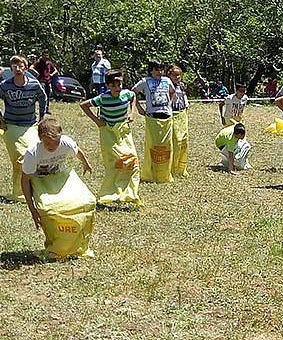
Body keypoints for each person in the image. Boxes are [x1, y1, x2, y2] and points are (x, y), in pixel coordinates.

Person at [20, 116, 96, 259]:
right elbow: (25, 181)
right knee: (47, 209)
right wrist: (32, 209)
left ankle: (80, 244)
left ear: (61, 135)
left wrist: (86, 163)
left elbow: (77, 151)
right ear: (40, 138)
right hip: (41, 181)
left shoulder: (65, 142)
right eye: (48, 144)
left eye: (56, 142)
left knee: (88, 201)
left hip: (62, 175)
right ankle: (55, 246)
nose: (53, 146)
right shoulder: (33, 153)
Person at [80, 69, 141, 206]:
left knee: (132, 160)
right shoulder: (103, 98)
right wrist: (97, 121)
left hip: (123, 131)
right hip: (108, 132)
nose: (117, 88)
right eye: (113, 85)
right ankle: (109, 194)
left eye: (119, 84)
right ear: (108, 86)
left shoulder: (126, 94)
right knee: (115, 163)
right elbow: (84, 105)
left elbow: (133, 97)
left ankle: (129, 194)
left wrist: (132, 113)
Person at [0, 55, 47, 202]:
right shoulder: (6, 85)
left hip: (30, 126)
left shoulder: (34, 85)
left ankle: (34, 190)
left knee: (33, 157)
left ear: (26, 68)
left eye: (20, 66)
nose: (17, 69)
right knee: (20, 160)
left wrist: (42, 117)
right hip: (11, 126)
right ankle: (19, 194)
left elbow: (43, 97)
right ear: (11, 68)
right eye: (14, 66)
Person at [132, 59, 176, 183]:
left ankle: (165, 172)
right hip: (152, 116)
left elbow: (172, 92)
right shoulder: (145, 81)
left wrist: (169, 105)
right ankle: (150, 172)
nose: (159, 72)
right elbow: (132, 93)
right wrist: (139, 108)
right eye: (157, 69)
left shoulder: (167, 81)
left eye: (161, 69)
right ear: (151, 70)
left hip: (166, 115)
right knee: (153, 145)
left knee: (166, 146)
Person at [168, 64, 190, 177]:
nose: (177, 77)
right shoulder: (166, 85)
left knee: (184, 141)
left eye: (179, 75)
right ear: (169, 74)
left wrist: (186, 107)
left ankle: (182, 168)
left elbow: (184, 98)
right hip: (172, 114)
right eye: (175, 75)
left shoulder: (181, 86)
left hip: (182, 114)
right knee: (176, 141)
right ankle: (172, 167)